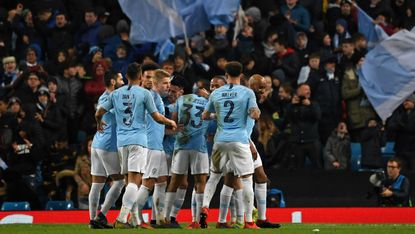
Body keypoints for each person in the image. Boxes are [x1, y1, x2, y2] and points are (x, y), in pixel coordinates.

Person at [95, 63, 176, 228]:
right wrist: (170, 122)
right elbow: (157, 117)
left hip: (121, 142)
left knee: (128, 181)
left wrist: (98, 123)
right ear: (140, 77)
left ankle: (127, 219)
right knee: (135, 181)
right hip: (139, 141)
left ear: (126, 76)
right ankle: (123, 218)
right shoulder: (144, 94)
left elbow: (99, 112)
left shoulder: (116, 93)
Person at [201, 61, 261, 229]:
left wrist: (216, 116)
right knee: (247, 179)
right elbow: (254, 114)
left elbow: (205, 115)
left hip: (220, 141)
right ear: (241, 75)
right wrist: (254, 112)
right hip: (239, 140)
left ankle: (205, 207)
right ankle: (249, 221)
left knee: (213, 177)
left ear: (226, 75)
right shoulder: (247, 93)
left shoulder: (216, 93)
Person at [164, 76, 210, 229]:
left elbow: (175, 124)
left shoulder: (179, 102)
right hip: (200, 147)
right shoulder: (205, 101)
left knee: (174, 182)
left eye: (173, 88)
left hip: (182, 146)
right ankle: (198, 221)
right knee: (200, 183)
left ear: (181, 89)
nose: (171, 91)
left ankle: (166, 218)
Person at [88, 71, 125, 229]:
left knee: (97, 183)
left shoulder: (103, 96)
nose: (122, 81)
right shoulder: (111, 97)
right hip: (108, 145)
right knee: (119, 181)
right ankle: (101, 216)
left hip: (97, 144)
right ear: (112, 81)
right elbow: (102, 113)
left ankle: (92, 220)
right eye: (120, 79)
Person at [285, 83, 322, 168]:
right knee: (297, 169)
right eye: (305, 89)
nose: (308, 91)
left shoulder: (314, 104)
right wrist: (291, 105)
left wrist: (310, 106)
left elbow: (318, 116)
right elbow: (286, 119)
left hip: (312, 141)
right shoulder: (292, 105)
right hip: (297, 142)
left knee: (317, 167)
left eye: (309, 89)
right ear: (298, 91)